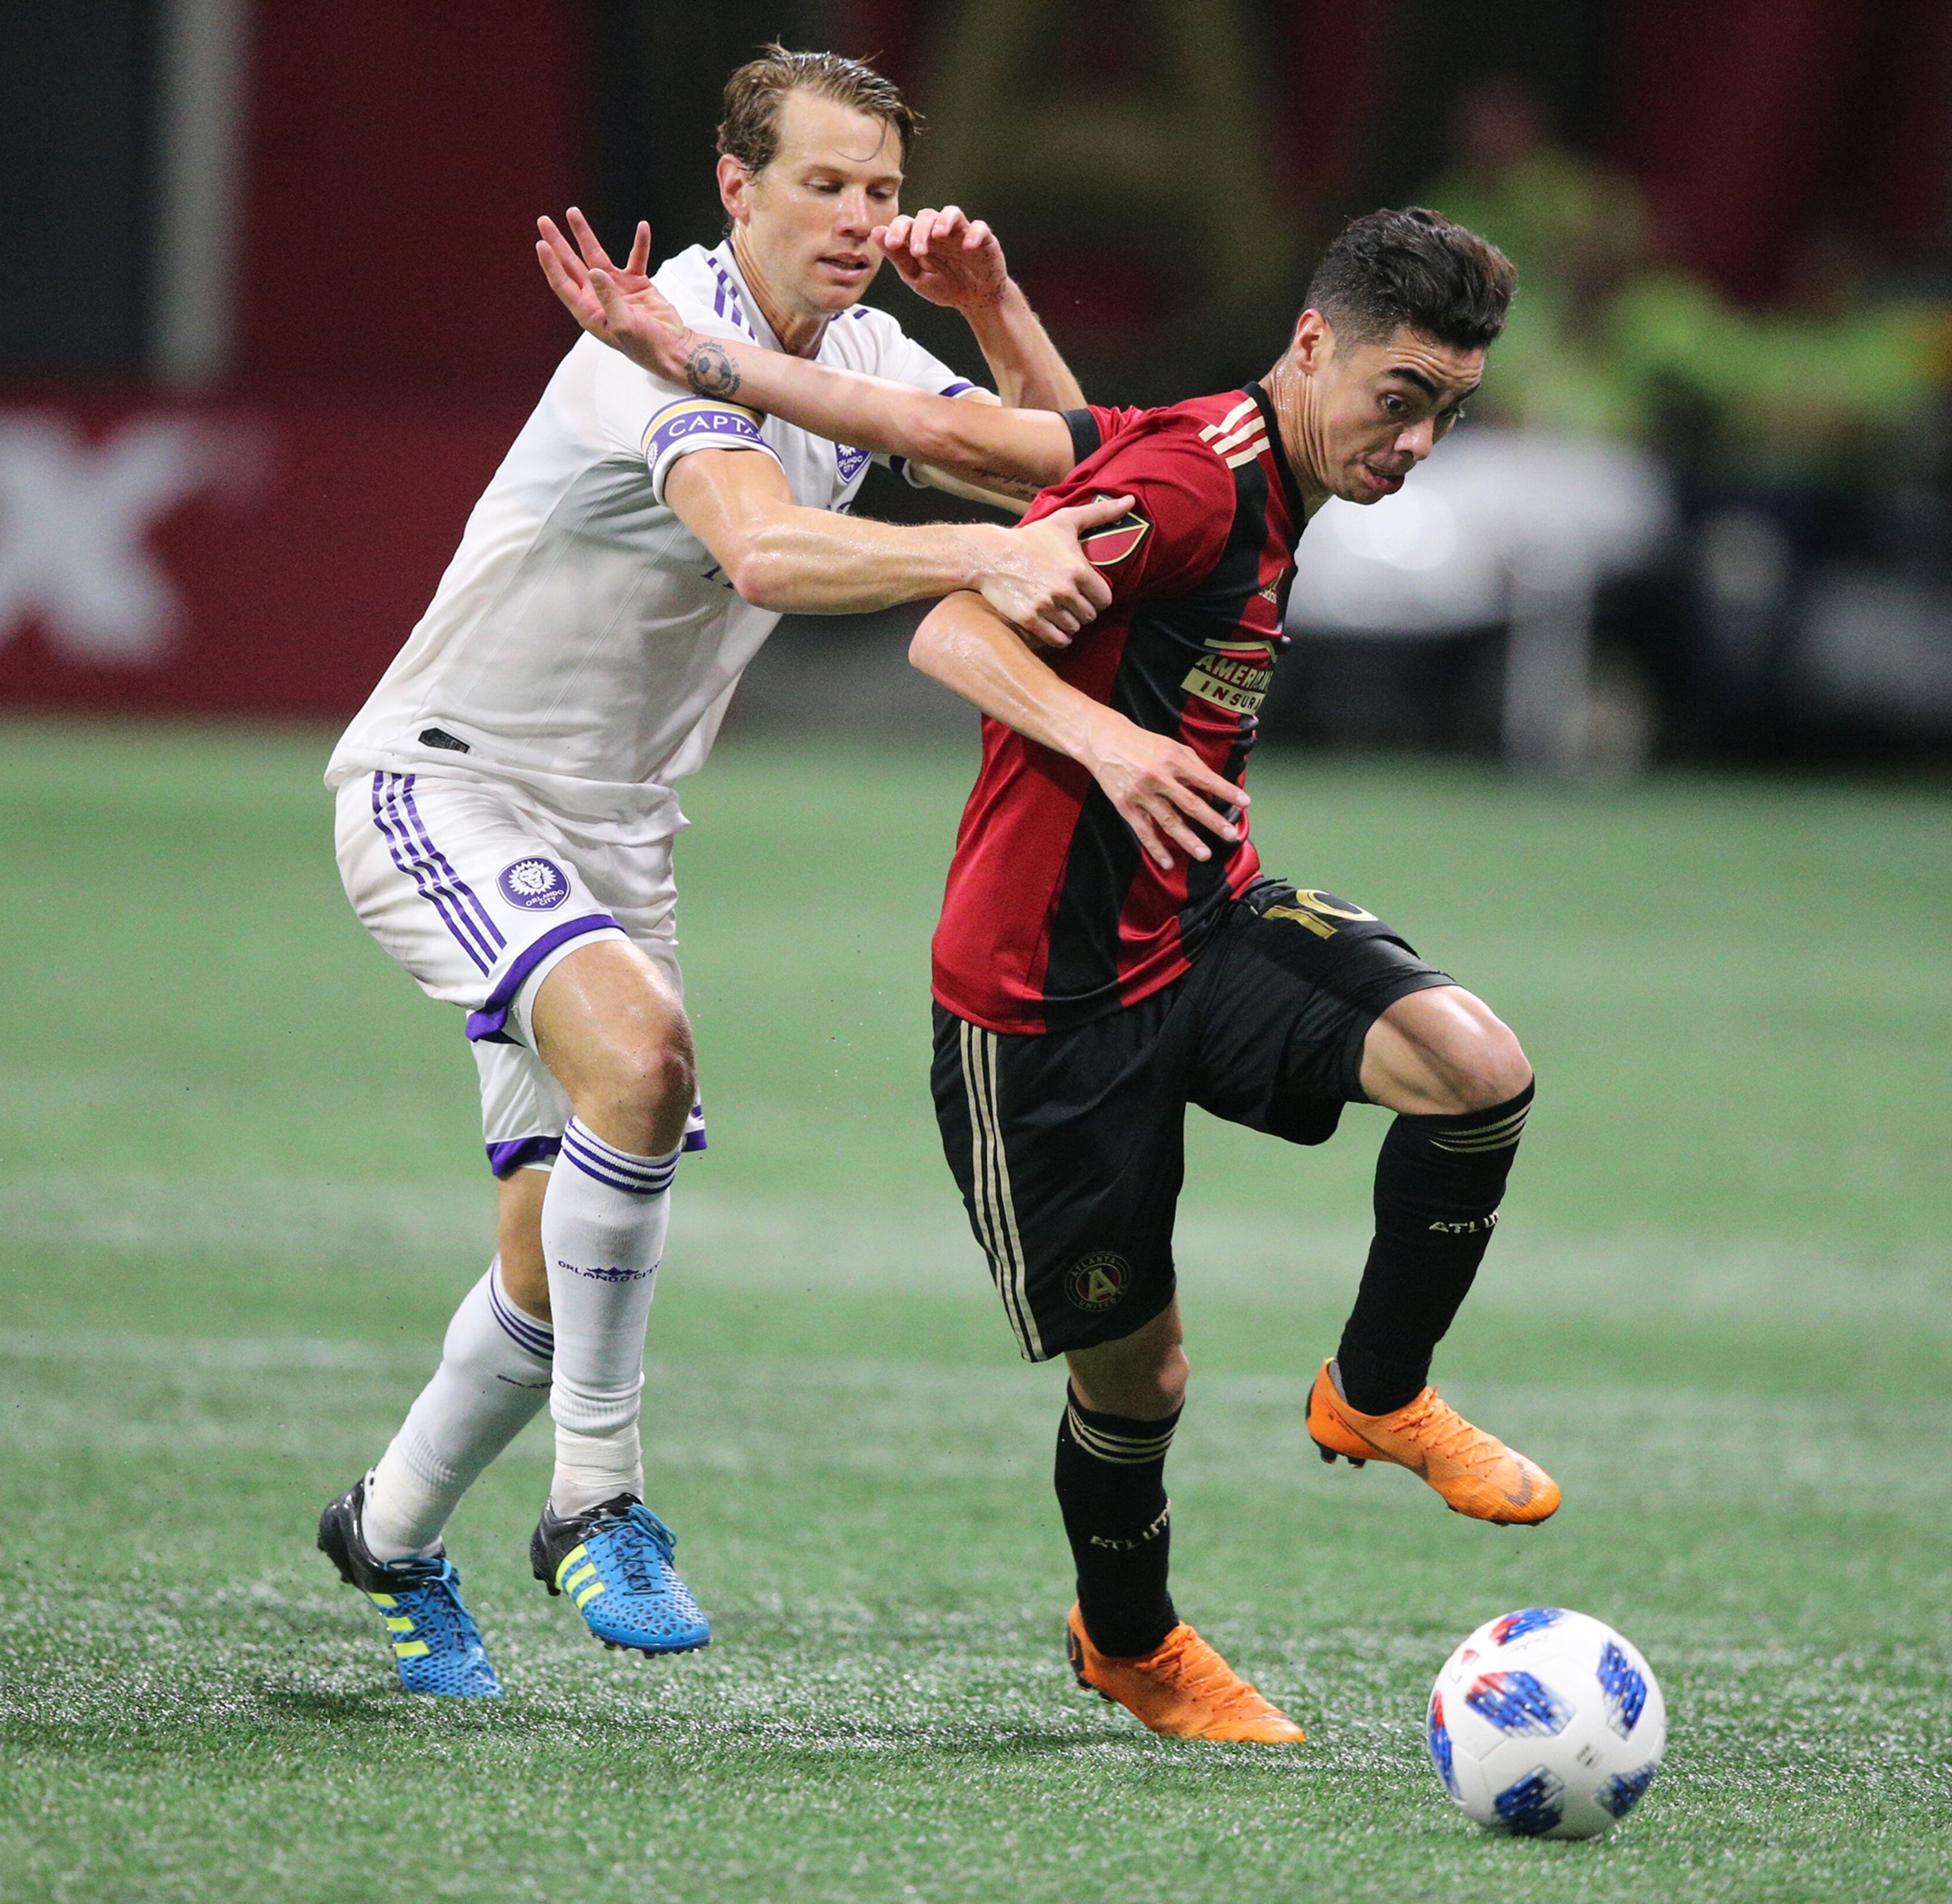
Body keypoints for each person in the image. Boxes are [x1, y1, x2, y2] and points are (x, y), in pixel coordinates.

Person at [551, 206, 1557, 1745]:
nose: (1418, 439)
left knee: (1475, 1069)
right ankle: (1131, 1638)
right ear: (1314, 347)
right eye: (1403, 396)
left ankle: (1375, 1388)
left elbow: (978, 432)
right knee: (1137, 1377)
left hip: (1202, 925)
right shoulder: (1199, 483)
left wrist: (995, 301)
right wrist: (1114, 740)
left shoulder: (1248, 448)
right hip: (1042, 1003)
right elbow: (955, 626)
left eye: (1450, 411)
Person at [314, 44, 1126, 1699]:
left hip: (616, 830)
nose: (858, 218)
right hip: (451, 785)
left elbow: (1082, 467)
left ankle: (386, 1530)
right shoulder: (655, 335)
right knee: (647, 1061)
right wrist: (977, 549)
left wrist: (992, 306)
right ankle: (594, 1502)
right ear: (736, 187)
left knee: (551, 1263)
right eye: (823, 184)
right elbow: (765, 542)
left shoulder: (872, 346)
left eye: (883, 191)